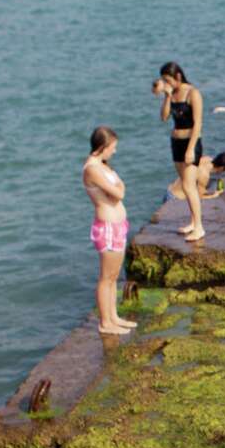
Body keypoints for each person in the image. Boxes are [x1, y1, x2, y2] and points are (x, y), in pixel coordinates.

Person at [82, 126, 137, 336]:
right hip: (106, 228)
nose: (114, 151)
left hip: (117, 225)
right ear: (102, 146)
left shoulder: (102, 166)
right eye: (112, 147)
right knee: (106, 277)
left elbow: (119, 189)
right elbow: (118, 192)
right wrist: (119, 189)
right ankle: (105, 322)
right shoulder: (92, 169)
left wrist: (119, 189)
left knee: (114, 276)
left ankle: (114, 317)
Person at [155, 63, 206, 241]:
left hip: (191, 143)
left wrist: (191, 148)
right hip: (176, 142)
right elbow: (164, 117)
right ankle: (193, 222)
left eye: (167, 80)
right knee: (185, 183)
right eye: (163, 80)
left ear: (177, 76)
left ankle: (199, 227)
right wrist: (167, 96)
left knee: (188, 185)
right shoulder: (173, 94)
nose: (165, 82)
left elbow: (198, 124)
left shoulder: (193, 93)